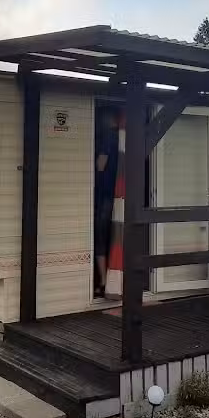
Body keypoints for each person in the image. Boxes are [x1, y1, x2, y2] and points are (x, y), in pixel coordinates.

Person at [93, 108, 119, 299]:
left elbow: (100, 164)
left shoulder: (108, 138)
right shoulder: (127, 138)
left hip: (104, 196)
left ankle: (103, 282)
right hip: (121, 197)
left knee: (100, 237)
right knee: (116, 237)